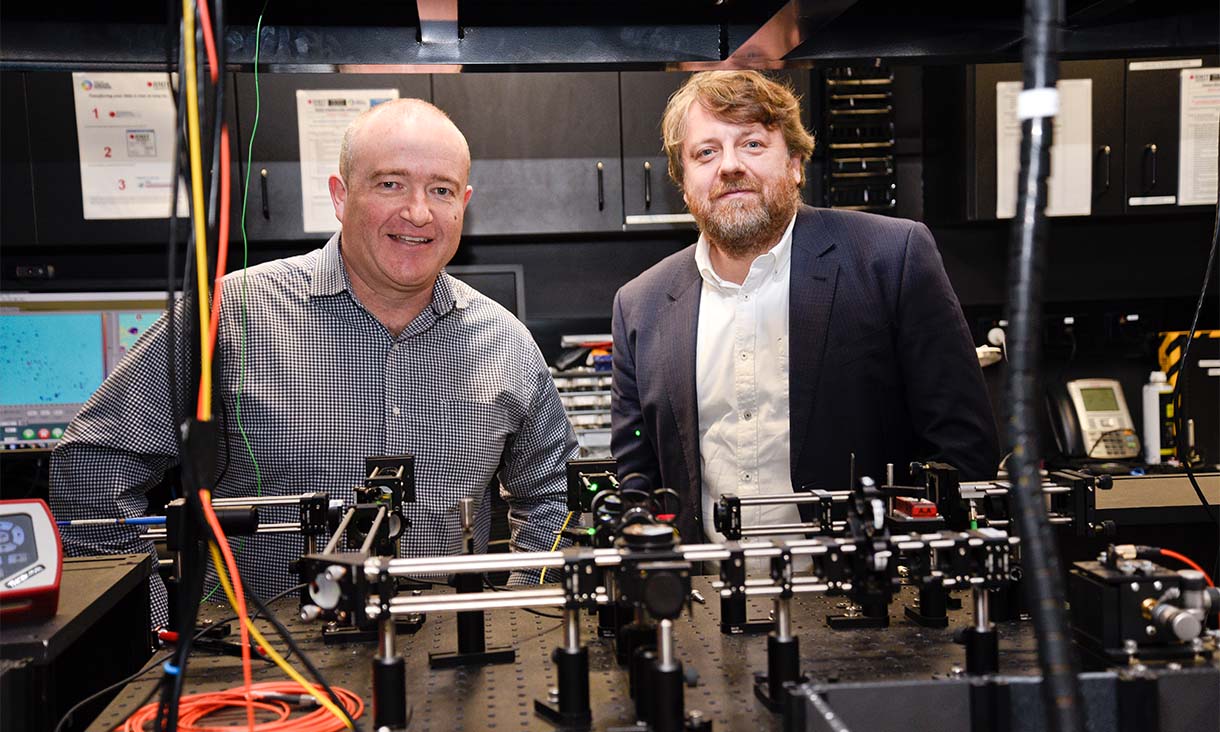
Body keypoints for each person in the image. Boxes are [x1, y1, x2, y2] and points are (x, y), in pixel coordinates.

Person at [50, 99, 577, 628]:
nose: (418, 212)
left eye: (440, 190)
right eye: (390, 184)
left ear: (463, 204)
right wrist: (164, 625)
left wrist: (521, 613)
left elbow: (559, 492)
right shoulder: (228, 317)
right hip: (260, 672)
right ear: (340, 196)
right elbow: (93, 468)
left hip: (444, 673)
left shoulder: (505, 343)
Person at [610, 71, 999, 544]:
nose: (729, 166)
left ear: (795, 162)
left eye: (752, 143)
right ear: (684, 181)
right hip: (706, 602)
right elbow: (639, 476)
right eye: (706, 152)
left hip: (866, 598)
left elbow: (963, 448)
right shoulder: (640, 305)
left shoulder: (891, 258)